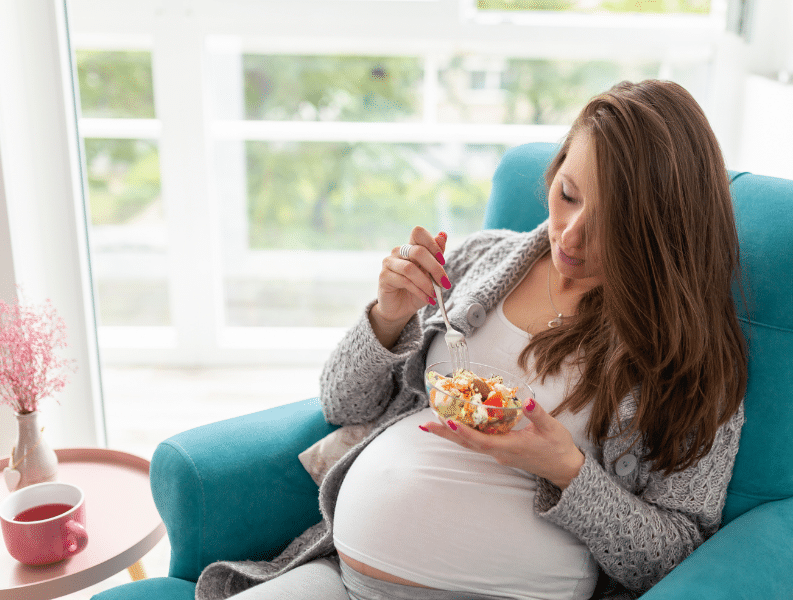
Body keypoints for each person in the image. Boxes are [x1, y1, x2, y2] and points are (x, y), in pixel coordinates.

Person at [196, 80, 748, 600]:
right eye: (568, 195)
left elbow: (673, 559)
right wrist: (388, 317)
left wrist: (568, 470)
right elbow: (343, 403)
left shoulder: (688, 358)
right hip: (342, 577)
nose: (571, 235)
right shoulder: (479, 260)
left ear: (662, 227)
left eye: (614, 222)